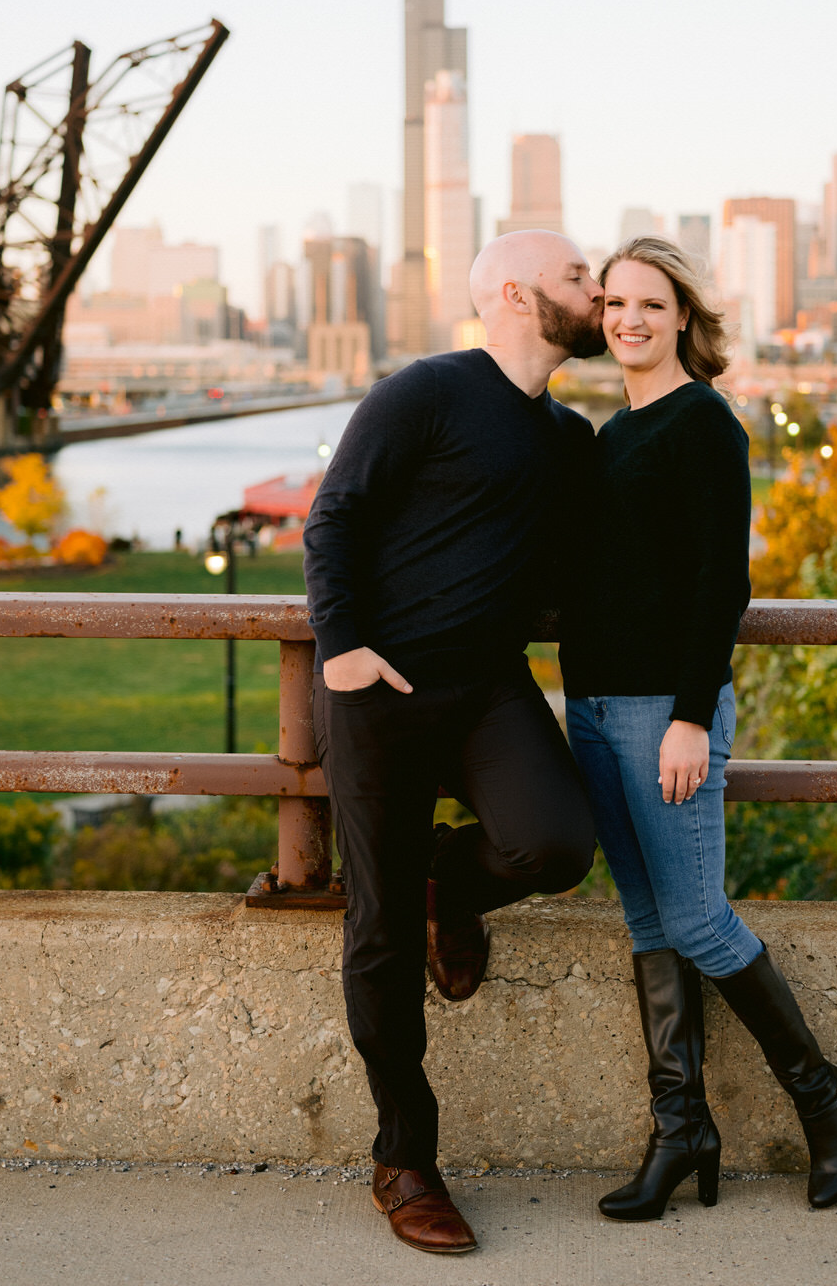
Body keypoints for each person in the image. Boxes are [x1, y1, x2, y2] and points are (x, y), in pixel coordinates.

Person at [303, 230, 604, 1256]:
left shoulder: (569, 437)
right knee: (379, 932)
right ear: (517, 294)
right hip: (380, 692)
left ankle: (451, 884)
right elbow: (332, 517)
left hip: (486, 691)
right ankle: (404, 1158)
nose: (598, 289)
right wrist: (341, 646)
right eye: (579, 276)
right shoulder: (425, 391)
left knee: (556, 843)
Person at [559, 235, 837, 1221]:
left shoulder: (706, 426)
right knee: (650, 924)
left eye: (649, 304)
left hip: (666, 714)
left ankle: (824, 1104)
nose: (628, 320)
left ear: (683, 317)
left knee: (698, 918)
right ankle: (680, 1129)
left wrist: (692, 715)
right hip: (596, 710)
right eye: (614, 304)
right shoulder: (612, 435)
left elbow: (719, 584)